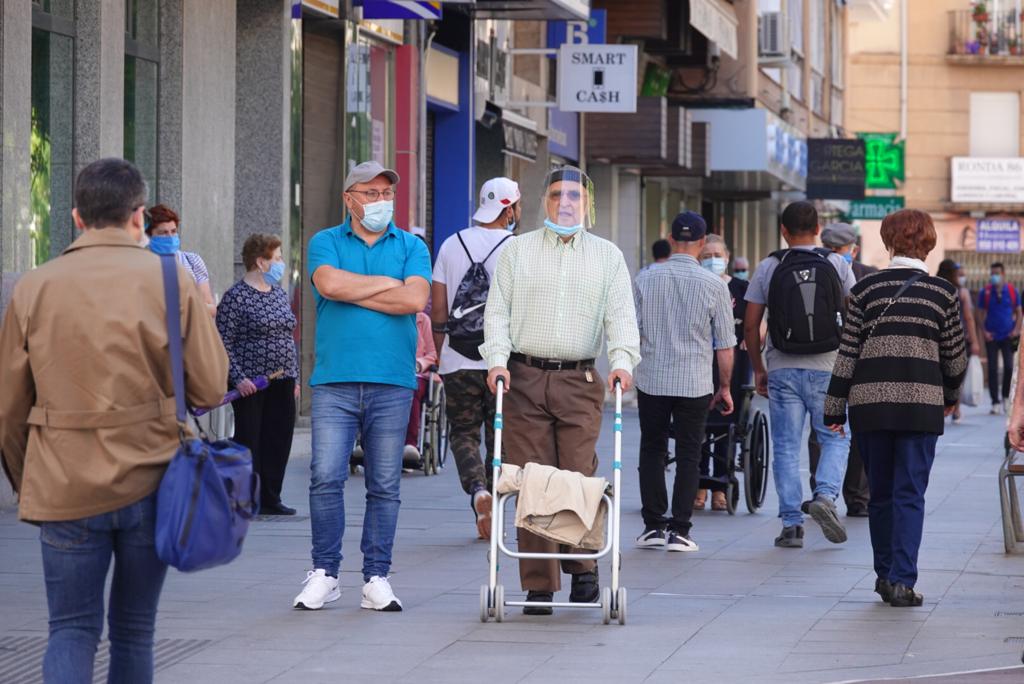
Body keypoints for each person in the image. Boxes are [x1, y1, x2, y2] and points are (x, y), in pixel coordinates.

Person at [0, 158, 228, 683]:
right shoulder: (172, 280)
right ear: (138, 216)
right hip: (152, 477)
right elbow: (212, 387)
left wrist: (26, 477)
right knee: (133, 630)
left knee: (71, 629)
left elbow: (9, 406)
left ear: (77, 218)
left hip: (63, 480)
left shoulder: (34, 287)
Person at [481, 165, 639, 615]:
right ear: (543, 202)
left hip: (580, 379)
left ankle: (584, 569)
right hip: (524, 377)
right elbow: (497, 314)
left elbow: (621, 317)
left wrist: (622, 362)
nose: (564, 203)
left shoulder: (608, 256)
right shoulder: (517, 251)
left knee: (577, 474)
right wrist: (496, 361)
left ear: (587, 203)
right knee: (531, 479)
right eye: (556, 196)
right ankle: (538, 583)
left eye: (573, 196)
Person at [293, 161, 431, 613]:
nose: (379, 202)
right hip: (334, 380)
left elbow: (414, 298)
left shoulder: (412, 245)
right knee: (325, 478)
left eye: (385, 193)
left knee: (385, 485)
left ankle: (376, 576)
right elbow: (328, 283)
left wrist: (357, 290)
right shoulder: (324, 242)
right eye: (369, 193)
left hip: (392, 380)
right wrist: (386, 285)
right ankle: (325, 573)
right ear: (349, 198)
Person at [824, 209, 966, 607]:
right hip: (921, 406)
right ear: (929, 242)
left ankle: (885, 576)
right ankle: (902, 579)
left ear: (888, 242)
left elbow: (847, 354)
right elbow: (954, 357)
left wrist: (834, 409)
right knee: (910, 493)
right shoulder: (943, 293)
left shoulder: (865, 292)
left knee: (880, 493)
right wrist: (950, 395)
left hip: (870, 407)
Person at [744, 201, 856, 549]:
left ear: (784, 231)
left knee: (787, 446)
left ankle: (792, 525)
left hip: (783, 367)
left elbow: (750, 325)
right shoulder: (837, 263)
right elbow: (854, 316)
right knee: (835, 438)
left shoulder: (769, 266)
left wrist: (759, 368)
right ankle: (825, 496)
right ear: (819, 228)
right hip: (828, 368)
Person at [634, 213, 735, 552]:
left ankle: (653, 526)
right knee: (690, 452)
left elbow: (631, 331)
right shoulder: (715, 286)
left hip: (652, 379)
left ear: (671, 237)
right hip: (694, 382)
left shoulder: (645, 279)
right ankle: (680, 530)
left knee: (652, 448)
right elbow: (725, 345)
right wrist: (725, 387)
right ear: (704, 242)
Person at [430, 177, 520, 540]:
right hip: (503, 362)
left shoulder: (452, 244)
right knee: (501, 437)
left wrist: (439, 354)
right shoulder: (517, 248)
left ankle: (477, 491)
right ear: (509, 208)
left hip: (458, 357)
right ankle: (495, 504)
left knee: (463, 433)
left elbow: (438, 308)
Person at [216, 233, 299, 516]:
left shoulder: (278, 294)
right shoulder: (236, 297)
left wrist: (294, 376)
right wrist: (238, 378)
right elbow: (222, 342)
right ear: (260, 261)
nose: (281, 264)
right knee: (250, 439)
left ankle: (271, 497)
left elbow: (288, 336)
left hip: (282, 379)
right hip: (251, 382)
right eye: (276, 259)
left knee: (279, 437)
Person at [806, 223, 875, 517]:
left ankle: (821, 492)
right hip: (859, 362)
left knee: (822, 429)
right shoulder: (870, 276)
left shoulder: (811, 268)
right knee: (857, 428)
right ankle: (858, 498)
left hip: (824, 360)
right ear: (853, 248)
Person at [694, 233, 749, 512]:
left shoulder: (742, 288)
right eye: (707, 256)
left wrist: (753, 337)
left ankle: (720, 487)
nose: (713, 260)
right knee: (699, 426)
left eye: (717, 255)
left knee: (727, 426)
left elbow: (756, 324)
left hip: (734, 366)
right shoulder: (696, 286)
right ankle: (699, 485)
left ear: (727, 257)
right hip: (701, 365)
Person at [145, 203, 216, 315]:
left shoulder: (192, 261)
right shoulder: (141, 264)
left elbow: (211, 308)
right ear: (149, 236)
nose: (170, 237)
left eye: (173, 231)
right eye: (163, 233)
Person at [937, 259, 981, 423]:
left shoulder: (936, 288)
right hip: (958, 338)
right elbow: (969, 318)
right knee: (957, 372)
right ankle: (956, 408)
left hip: (938, 338)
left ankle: (941, 405)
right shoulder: (961, 291)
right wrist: (975, 341)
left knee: (940, 373)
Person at [976, 262, 1019, 415]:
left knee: (1008, 367)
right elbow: (979, 313)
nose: (994, 276)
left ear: (1003, 274)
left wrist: (1016, 329)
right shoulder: (985, 292)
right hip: (991, 337)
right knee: (992, 369)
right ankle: (995, 402)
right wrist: (984, 331)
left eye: (997, 273)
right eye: (992, 273)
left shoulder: (1012, 291)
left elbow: (1019, 312)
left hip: (1008, 336)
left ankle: (1006, 397)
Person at [405, 311, 438, 462]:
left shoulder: (422, 320)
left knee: (412, 387)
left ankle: (410, 444)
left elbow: (433, 353)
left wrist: (420, 364)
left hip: (417, 373)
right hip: (390, 371)